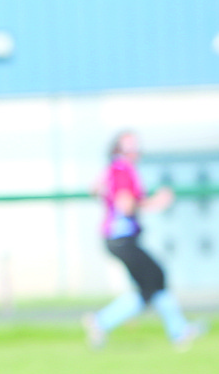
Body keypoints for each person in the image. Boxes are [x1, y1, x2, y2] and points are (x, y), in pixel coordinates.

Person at [82, 131, 203, 349]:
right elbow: (125, 204)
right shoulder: (122, 170)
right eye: (130, 148)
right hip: (121, 239)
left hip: (119, 239)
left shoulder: (114, 169)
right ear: (118, 150)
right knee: (154, 279)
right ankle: (103, 321)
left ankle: (177, 330)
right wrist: (156, 202)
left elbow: (94, 189)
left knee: (151, 284)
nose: (136, 152)